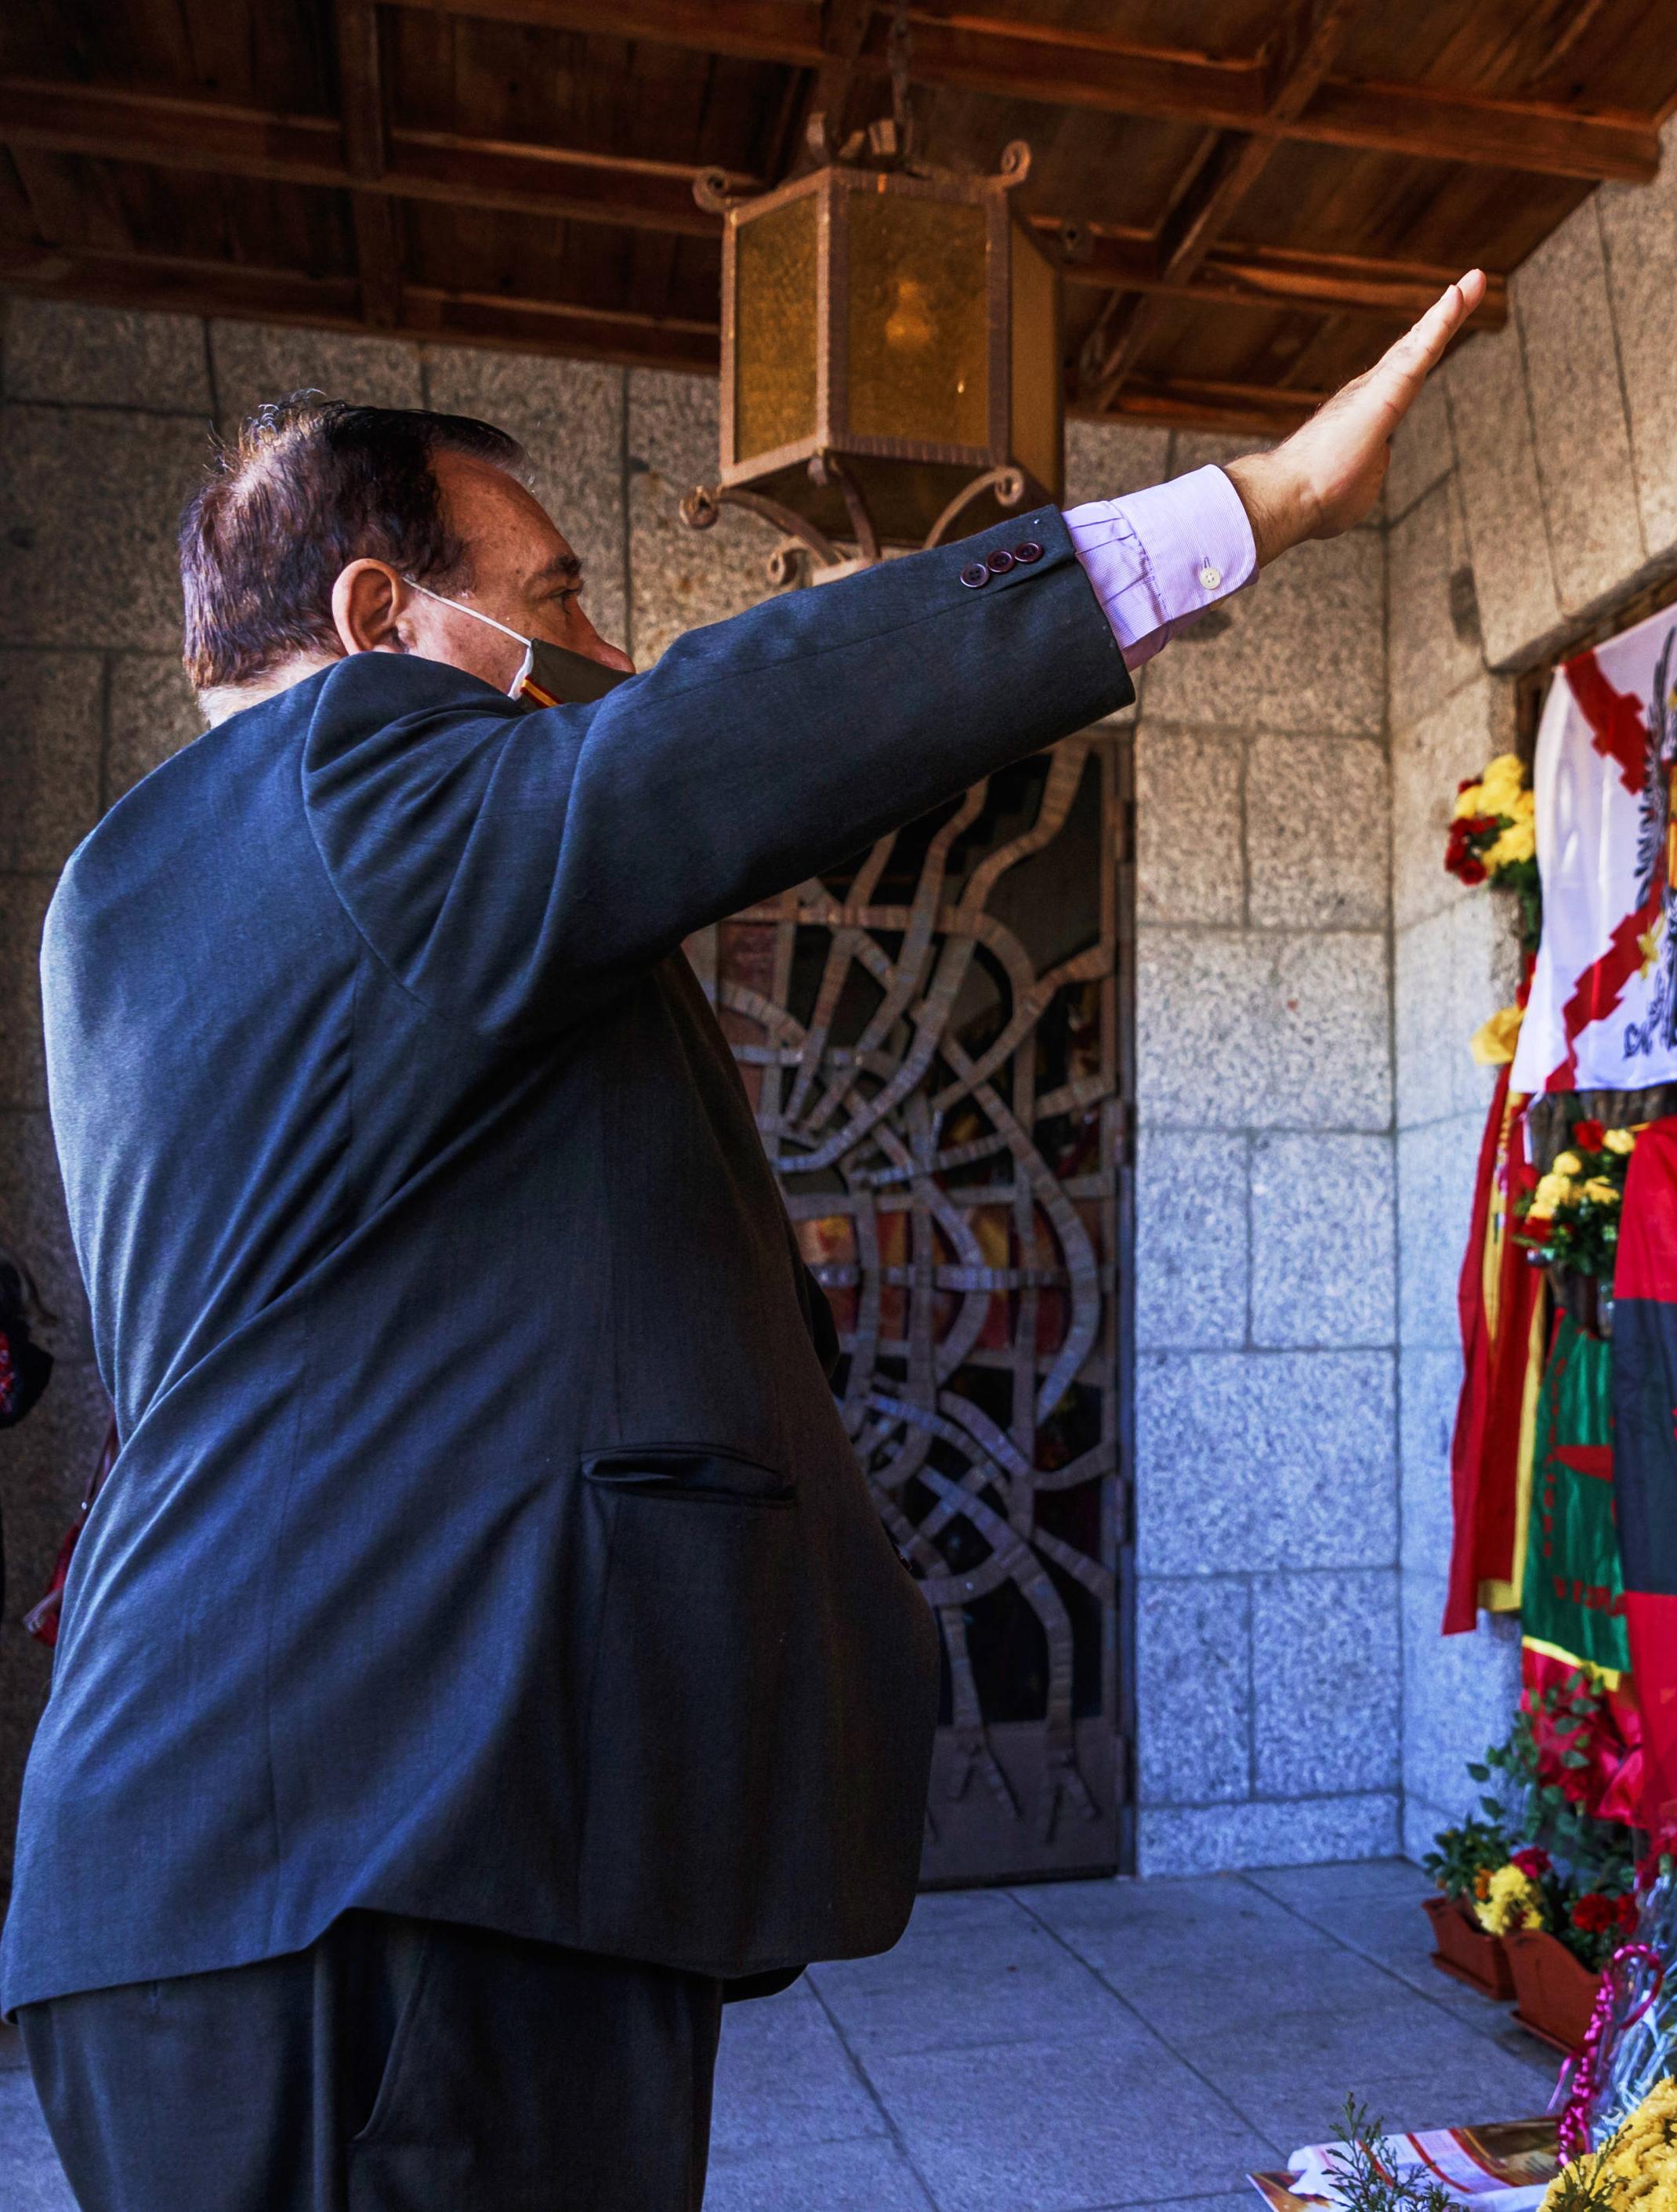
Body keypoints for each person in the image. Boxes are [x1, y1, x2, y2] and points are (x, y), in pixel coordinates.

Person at [7, 269, 1487, 2210]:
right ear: (380, 619)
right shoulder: (345, 778)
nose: (601, 653)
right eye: (552, 603)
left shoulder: (159, 890)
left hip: (281, 1857)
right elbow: (714, 732)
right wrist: (1251, 509)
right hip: (385, 1852)